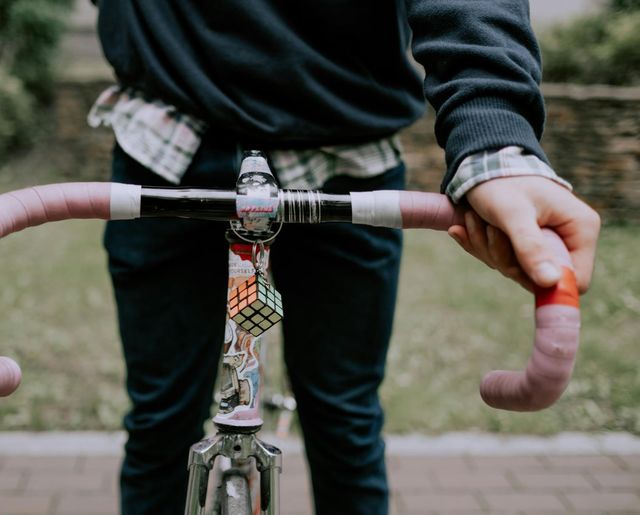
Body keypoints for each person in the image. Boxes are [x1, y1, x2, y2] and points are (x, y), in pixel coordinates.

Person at [87, 1, 601, 514]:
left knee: (346, 424)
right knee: (161, 423)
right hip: (165, 143)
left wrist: (495, 140)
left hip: (345, 151)